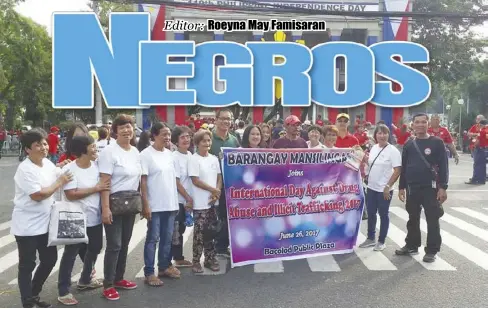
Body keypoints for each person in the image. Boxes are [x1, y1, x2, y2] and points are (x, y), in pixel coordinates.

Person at [11, 129, 72, 308]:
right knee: (27, 265)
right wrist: (60, 182)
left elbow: (54, 173)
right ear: (27, 150)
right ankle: (27, 302)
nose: (44, 147)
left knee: (49, 259)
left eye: (44, 143)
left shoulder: (46, 163)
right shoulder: (25, 169)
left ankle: (34, 292)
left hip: (46, 224)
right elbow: (37, 194)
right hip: (27, 226)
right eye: (38, 145)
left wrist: (61, 167)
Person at [57, 136, 109, 305]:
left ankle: (85, 279)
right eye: (93, 147)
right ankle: (63, 291)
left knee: (95, 247)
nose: (96, 150)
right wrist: (95, 188)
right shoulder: (70, 169)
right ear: (83, 150)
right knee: (70, 254)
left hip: (94, 217)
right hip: (74, 217)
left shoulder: (96, 166)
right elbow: (71, 194)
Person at [98, 114, 142, 300]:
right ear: (115, 131)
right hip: (114, 203)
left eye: (129, 126)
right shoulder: (109, 152)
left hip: (130, 203)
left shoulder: (135, 151)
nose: (126, 130)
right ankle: (107, 284)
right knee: (114, 245)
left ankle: (119, 278)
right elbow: (105, 182)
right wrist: (105, 209)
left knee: (124, 243)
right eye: (122, 127)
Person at [396, 113, 448, 263]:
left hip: (430, 188)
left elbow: (444, 166)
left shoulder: (437, 142)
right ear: (413, 124)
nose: (420, 125)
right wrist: (401, 187)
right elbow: (404, 167)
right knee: (412, 218)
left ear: (428, 124)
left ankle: (431, 250)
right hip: (412, 188)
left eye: (423, 122)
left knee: (432, 219)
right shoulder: (409, 144)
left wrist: (443, 187)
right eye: (417, 122)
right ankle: (412, 245)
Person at [140, 123, 180, 286]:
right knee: (153, 238)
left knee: (167, 238)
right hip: (155, 205)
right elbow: (143, 181)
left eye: (169, 134)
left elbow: (173, 180)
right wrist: (146, 204)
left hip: (170, 204)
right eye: (164, 134)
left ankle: (164, 266)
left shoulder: (170, 154)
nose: (167, 138)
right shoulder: (145, 155)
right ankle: (149, 272)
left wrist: (176, 202)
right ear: (154, 136)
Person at [358, 124, 401, 251]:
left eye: (385, 133)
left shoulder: (393, 151)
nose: (382, 136)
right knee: (371, 214)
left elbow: (397, 170)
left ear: (389, 135)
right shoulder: (374, 148)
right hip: (371, 187)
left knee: (383, 214)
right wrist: (360, 155)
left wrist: (388, 186)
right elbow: (371, 163)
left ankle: (381, 241)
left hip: (384, 190)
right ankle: (371, 238)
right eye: (379, 133)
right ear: (375, 135)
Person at [189, 129, 222, 273]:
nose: (207, 143)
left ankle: (210, 259)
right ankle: (196, 261)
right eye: (204, 141)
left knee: (212, 232)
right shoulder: (193, 159)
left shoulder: (214, 159)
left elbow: (219, 178)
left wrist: (217, 191)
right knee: (199, 233)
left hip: (212, 202)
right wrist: (213, 190)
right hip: (200, 202)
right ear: (197, 143)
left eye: (209, 140)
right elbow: (195, 180)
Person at [209, 109, 240, 257]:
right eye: (223, 119)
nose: (226, 122)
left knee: (227, 217)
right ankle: (210, 248)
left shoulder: (234, 140)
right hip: (211, 186)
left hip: (230, 185)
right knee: (212, 218)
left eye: (228, 119)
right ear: (216, 120)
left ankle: (222, 246)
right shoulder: (209, 138)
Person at [170, 126, 194, 269]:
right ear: (176, 141)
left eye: (188, 136)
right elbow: (176, 182)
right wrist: (187, 197)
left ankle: (178, 257)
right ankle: (175, 259)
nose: (186, 139)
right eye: (182, 137)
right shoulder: (174, 157)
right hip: (179, 200)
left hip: (188, 200)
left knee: (182, 229)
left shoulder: (190, 155)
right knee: (176, 231)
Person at [466, 117, 487, 185]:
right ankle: (482, 179)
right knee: (482, 165)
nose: (479, 125)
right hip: (485, 149)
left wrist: (474, 146)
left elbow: (478, 140)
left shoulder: (482, 131)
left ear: (482, 124)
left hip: (480, 148)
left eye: (480, 124)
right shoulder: (486, 130)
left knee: (477, 164)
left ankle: (475, 179)